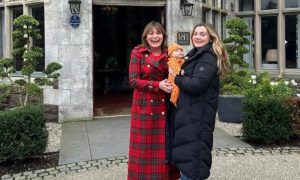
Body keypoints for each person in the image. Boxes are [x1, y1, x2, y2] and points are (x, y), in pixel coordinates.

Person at [168, 23, 230, 180]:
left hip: (197, 118)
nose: (197, 36)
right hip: (191, 116)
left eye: (202, 34)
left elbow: (197, 85)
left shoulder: (208, 57)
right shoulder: (196, 54)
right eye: (195, 33)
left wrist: (177, 77)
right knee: (189, 162)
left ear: (211, 37)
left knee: (193, 166)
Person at [127, 21, 180, 180]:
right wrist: (158, 85)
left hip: (164, 106)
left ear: (163, 36)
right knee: (143, 147)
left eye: (158, 33)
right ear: (146, 36)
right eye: (151, 33)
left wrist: (177, 65)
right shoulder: (138, 52)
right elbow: (133, 81)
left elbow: (177, 72)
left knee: (164, 145)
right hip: (143, 107)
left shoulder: (169, 54)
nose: (154, 36)